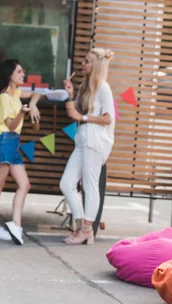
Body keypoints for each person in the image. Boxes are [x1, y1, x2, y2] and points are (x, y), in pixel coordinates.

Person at [60, 48, 115, 245]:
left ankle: (85, 229)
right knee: (66, 183)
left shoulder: (103, 88)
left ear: (96, 65)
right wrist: (70, 95)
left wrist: (82, 117)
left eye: (87, 61)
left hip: (95, 141)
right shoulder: (86, 87)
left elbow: (108, 118)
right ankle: (82, 225)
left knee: (91, 186)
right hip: (83, 140)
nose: (83, 64)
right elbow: (73, 112)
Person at [0, 59, 41, 245]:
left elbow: (36, 93)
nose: (22, 75)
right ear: (10, 75)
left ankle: (16, 225)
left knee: (24, 184)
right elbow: (10, 126)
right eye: (19, 72)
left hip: (13, 143)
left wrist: (32, 105)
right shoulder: (3, 98)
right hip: (4, 140)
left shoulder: (16, 93)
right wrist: (22, 112)